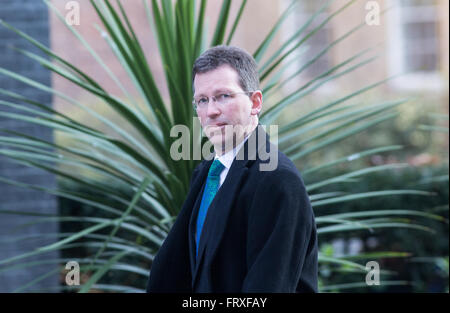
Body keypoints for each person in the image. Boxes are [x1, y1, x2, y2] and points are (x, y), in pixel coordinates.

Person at [146, 45, 318, 293]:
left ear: (255, 102)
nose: (211, 111)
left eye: (223, 96)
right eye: (202, 100)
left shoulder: (277, 180)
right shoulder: (206, 173)